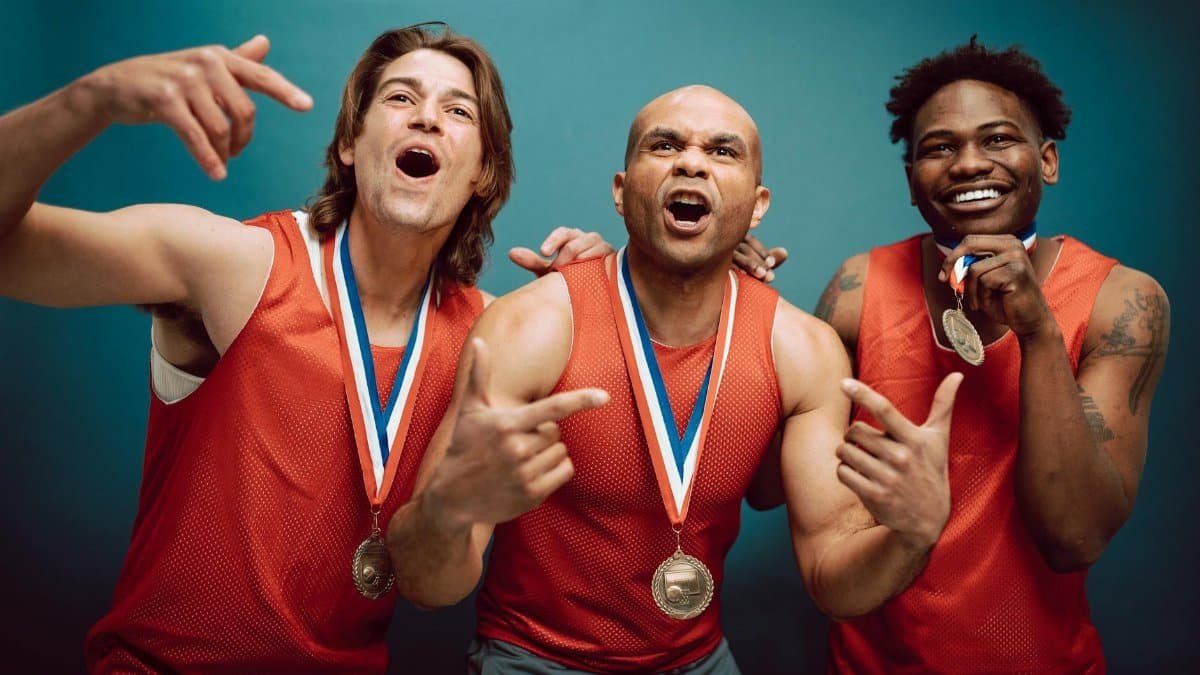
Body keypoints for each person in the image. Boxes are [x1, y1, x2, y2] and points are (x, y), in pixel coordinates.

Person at [0, 24, 611, 672]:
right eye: (402, 98)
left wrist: (605, 295)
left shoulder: (491, 338)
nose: (428, 118)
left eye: (458, 110)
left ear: (483, 172)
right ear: (351, 142)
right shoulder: (237, 267)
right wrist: (92, 98)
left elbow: (436, 585)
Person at [387, 84, 966, 673]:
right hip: (533, 657)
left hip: (697, 661)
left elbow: (832, 582)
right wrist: (445, 513)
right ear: (621, 191)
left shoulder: (802, 350)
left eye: (723, 151)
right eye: (665, 146)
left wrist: (911, 534)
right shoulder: (528, 328)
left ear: (757, 204)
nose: (691, 162)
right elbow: (429, 587)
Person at [745, 37, 1170, 673]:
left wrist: (1039, 331)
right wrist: (730, 303)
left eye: (998, 139)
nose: (969, 164)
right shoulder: (859, 288)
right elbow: (766, 485)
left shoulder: (1122, 300)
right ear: (912, 178)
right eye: (939, 148)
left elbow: (1073, 539)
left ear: (1047, 160)